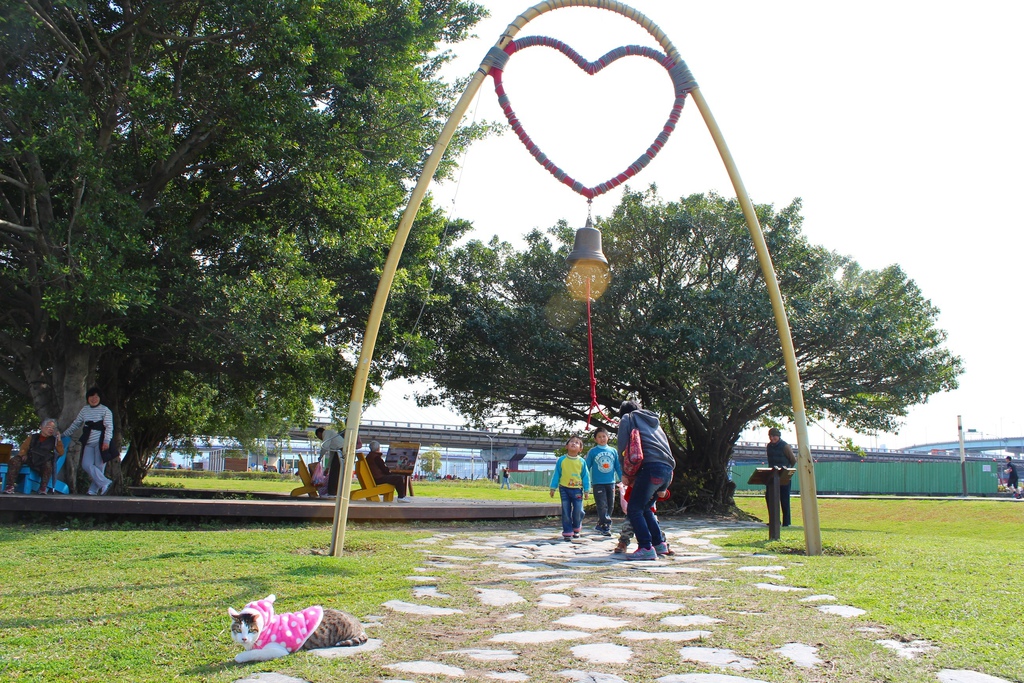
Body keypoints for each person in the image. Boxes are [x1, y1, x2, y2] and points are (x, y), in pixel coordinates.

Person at [616, 400, 675, 560]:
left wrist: (625, 473)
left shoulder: (627, 418)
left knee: (634, 509)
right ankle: (659, 544)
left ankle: (645, 547)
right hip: (667, 469)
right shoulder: (654, 422)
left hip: (650, 468)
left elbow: (622, 446)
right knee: (646, 508)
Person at [62, 386, 114, 495]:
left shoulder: (105, 410)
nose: (94, 399)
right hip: (88, 442)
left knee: (99, 467)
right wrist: (64, 434)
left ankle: (93, 490)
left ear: (100, 398)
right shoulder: (85, 410)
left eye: (96, 396)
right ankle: (105, 482)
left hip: (101, 442)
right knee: (86, 464)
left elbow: (109, 426)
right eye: (91, 396)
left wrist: (106, 441)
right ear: (88, 398)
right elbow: (76, 424)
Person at [3, 418, 64, 494]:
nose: (51, 429)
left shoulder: (54, 440)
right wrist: (23, 454)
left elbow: (61, 452)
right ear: (41, 427)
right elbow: (24, 447)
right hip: (30, 457)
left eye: (53, 428)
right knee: (14, 460)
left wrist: (59, 440)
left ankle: (43, 488)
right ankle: (10, 486)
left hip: (43, 460)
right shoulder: (33, 437)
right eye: (49, 427)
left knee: (48, 465)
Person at [549, 435, 591, 541]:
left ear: (580, 449)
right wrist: (553, 488)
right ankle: (567, 531)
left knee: (578, 510)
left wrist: (587, 490)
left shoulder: (581, 461)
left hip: (577, 489)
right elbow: (557, 474)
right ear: (567, 446)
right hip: (564, 488)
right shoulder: (561, 460)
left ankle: (576, 527)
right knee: (566, 510)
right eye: (571, 442)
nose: (573, 443)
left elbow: (586, 476)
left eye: (577, 443)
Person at [614, 482, 673, 555]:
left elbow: (662, 493)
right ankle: (623, 543)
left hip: (650, 512)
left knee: (656, 529)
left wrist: (664, 493)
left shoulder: (655, 481)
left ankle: (662, 544)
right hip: (635, 513)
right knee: (627, 527)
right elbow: (627, 496)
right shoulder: (637, 482)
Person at [586, 426, 621, 536]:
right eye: (599, 437)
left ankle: (601, 523)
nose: (602, 439)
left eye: (604, 436)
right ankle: (606, 525)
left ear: (608, 437)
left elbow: (617, 466)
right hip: (598, 483)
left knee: (610, 505)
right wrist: (584, 480)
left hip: (611, 482)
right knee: (602, 504)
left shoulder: (613, 451)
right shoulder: (593, 452)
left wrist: (622, 478)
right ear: (595, 439)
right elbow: (586, 467)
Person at [765, 427, 798, 526]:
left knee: (784, 499)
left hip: (784, 476)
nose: (772, 438)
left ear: (778, 436)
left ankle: (786, 522)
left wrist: (786, 470)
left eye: (774, 436)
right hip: (772, 475)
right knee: (769, 497)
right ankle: (774, 521)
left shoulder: (785, 446)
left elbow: (793, 460)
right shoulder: (769, 446)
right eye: (770, 436)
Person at [314, 427, 346, 497]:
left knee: (334, 473)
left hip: (341, 451)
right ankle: (334, 492)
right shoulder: (332, 437)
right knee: (335, 472)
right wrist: (327, 467)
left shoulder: (326, 433)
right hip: (339, 451)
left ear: (319, 433)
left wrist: (320, 456)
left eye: (318, 436)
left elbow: (325, 446)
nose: (320, 438)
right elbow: (332, 454)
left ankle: (332, 493)